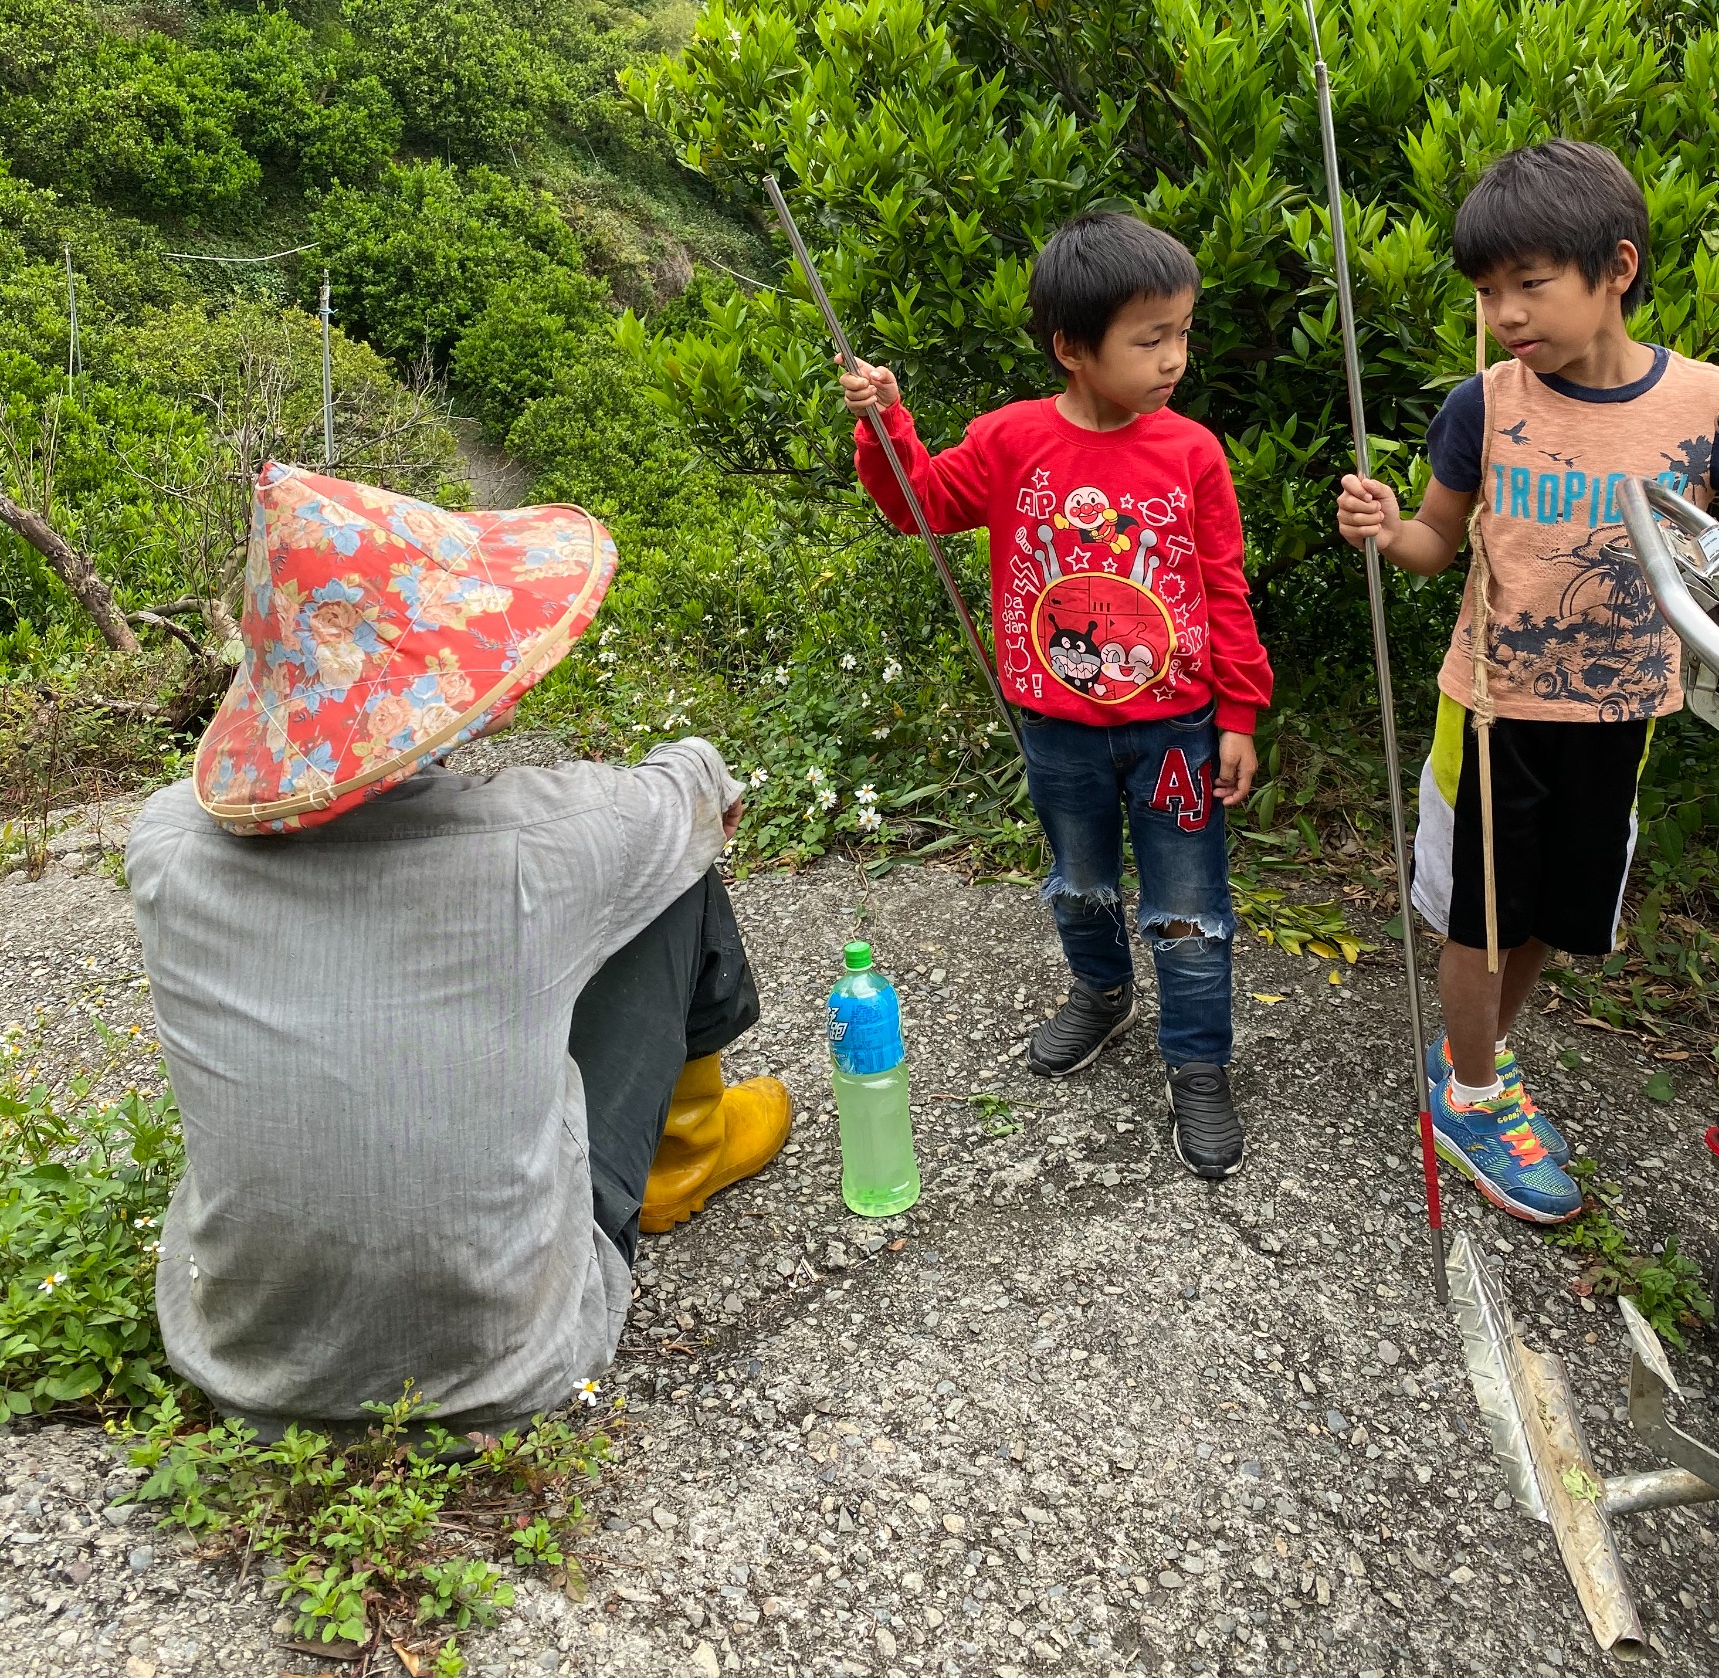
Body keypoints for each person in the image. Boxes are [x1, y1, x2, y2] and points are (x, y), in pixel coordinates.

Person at [126, 461, 792, 1436]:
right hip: (511, 1363)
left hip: (247, 1365)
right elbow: (701, 792)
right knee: (673, 874)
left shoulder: (164, 846)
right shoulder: (543, 841)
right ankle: (688, 1149)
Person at [1336, 138, 1719, 1225]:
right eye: (1487, 293)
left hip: (1624, 709)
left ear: (1615, 267)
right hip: (1493, 709)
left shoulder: (1715, 409)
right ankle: (1470, 1097)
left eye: (1528, 284)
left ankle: (1469, 1061)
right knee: (1480, 918)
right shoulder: (1484, 404)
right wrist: (1387, 529)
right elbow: (1436, 544)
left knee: (1551, 914)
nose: (1504, 315)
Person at [840, 211, 1272, 1178]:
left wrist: (1239, 713)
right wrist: (887, 423)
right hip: (1056, 728)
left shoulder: (1192, 452)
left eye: (1181, 333)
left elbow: (1222, 585)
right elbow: (919, 506)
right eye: (1149, 339)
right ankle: (1102, 995)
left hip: (1176, 731)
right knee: (1079, 882)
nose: (1173, 358)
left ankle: (1197, 1062)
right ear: (1071, 348)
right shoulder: (1009, 440)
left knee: (1188, 907)